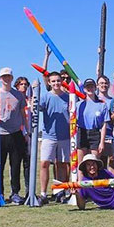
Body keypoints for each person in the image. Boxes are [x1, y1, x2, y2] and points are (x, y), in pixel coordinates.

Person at [0, 67, 28, 205]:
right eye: (3, 77)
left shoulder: (18, 95)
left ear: (12, 78)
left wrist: (27, 132)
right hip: (0, 135)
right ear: (0, 79)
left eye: (8, 77)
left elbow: (23, 114)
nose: (6, 79)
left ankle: (15, 193)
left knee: (15, 165)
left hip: (16, 134)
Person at [38, 71, 70, 204]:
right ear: (49, 83)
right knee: (44, 163)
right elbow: (37, 108)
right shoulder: (45, 97)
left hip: (65, 137)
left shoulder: (68, 97)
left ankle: (60, 192)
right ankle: (43, 194)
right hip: (49, 136)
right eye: (54, 81)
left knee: (62, 165)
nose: (56, 83)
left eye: (58, 80)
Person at [77, 78, 109, 161]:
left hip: (95, 134)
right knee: (81, 163)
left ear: (95, 88)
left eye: (92, 86)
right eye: (88, 87)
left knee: (94, 162)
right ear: (84, 89)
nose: (90, 89)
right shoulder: (78, 105)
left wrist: (102, 142)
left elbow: (104, 125)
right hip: (81, 133)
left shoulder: (102, 105)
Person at [14, 76, 32, 190]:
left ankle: (28, 189)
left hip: (28, 134)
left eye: (25, 84)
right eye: (21, 84)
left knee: (28, 164)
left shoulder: (30, 100)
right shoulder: (14, 98)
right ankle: (15, 190)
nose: (24, 86)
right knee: (15, 163)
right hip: (16, 133)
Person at [96, 75, 114, 169]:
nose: (104, 85)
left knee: (112, 161)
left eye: (106, 83)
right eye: (101, 83)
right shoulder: (94, 99)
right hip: (96, 136)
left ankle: (111, 183)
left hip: (110, 135)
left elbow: (113, 119)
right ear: (97, 85)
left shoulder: (112, 101)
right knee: (98, 163)